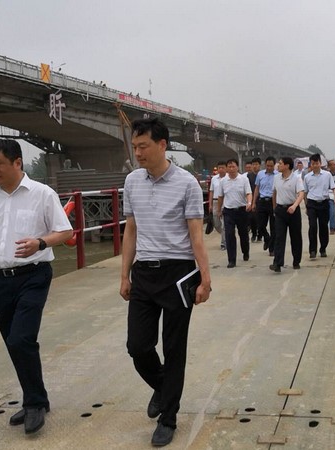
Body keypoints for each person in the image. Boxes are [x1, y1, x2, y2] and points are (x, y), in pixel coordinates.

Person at [0, 139, 73, 434]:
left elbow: (65, 231)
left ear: (17, 162)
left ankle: (33, 404)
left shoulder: (42, 194)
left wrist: (40, 242)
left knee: (21, 338)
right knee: (13, 342)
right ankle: (37, 397)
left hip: (34, 275)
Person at [119, 118, 211, 447]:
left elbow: (196, 235)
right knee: (138, 346)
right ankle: (162, 387)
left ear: (162, 145)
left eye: (143, 146)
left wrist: (205, 278)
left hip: (178, 273)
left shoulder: (187, 184)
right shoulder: (132, 181)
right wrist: (124, 274)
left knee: (174, 349)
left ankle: (168, 417)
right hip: (144, 272)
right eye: (135, 146)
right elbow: (131, 229)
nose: (138, 152)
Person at [270, 157, 305, 272]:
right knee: (279, 237)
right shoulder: (276, 178)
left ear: (287, 166)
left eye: (280, 163)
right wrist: (274, 208)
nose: (278, 165)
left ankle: (296, 261)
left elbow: (301, 194)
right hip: (280, 210)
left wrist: (294, 206)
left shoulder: (296, 178)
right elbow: (274, 193)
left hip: (293, 210)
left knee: (295, 237)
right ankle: (277, 263)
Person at [216, 159, 253, 268]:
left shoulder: (244, 179)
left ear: (237, 167)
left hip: (241, 210)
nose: (231, 169)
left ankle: (245, 252)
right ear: (227, 168)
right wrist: (219, 210)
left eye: (233, 166)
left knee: (243, 234)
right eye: (229, 167)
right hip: (228, 211)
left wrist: (249, 203)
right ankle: (231, 260)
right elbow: (220, 197)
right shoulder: (223, 181)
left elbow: (249, 193)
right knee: (229, 235)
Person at [303, 153, 335, 259]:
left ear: (320, 163)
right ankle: (312, 250)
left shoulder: (327, 175)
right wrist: (306, 206)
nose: (315, 165)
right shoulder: (307, 177)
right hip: (312, 204)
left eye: (317, 163)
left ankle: (323, 248)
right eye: (313, 163)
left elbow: (333, 188)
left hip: (324, 203)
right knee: (312, 227)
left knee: (323, 227)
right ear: (310, 164)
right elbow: (305, 193)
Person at [253, 156, 277, 256]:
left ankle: (272, 249)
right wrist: (254, 202)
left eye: (271, 166)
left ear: (274, 165)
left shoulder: (278, 175)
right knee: (260, 225)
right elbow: (257, 188)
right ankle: (267, 239)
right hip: (262, 201)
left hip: (273, 202)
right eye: (267, 166)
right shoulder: (260, 174)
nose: (269, 168)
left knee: (274, 227)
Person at [207, 162, 227, 250]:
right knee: (217, 224)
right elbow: (211, 191)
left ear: (226, 168)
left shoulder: (228, 178)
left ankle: (224, 243)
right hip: (215, 202)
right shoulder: (214, 179)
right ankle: (226, 234)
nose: (221, 169)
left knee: (224, 224)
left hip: (225, 201)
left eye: (223, 168)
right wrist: (210, 204)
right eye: (219, 168)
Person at [245, 158, 260, 242]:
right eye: (253, 164)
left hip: (260, 199)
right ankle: (254, 233)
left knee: (260, 218)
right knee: (252, 218)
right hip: (251, 198)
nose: (255, 166)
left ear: (259, 165)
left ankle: (260, 234)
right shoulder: (249, 176)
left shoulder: (262, 175)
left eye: (256, 164)